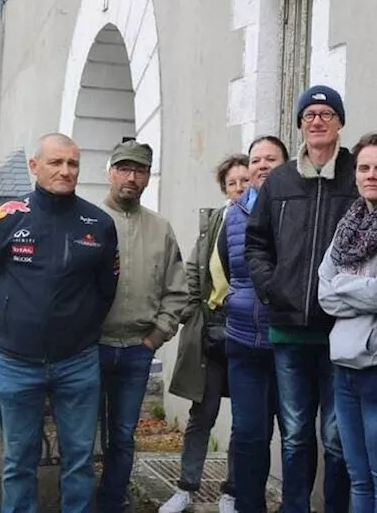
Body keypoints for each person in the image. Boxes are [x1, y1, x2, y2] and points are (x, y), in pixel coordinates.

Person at [0, 133, 120, 513]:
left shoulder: (99, 223)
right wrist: (11, 317)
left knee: (80, 461)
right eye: (56, 162)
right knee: (18, 461)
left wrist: (79, 326)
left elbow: (107, 289)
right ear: (34, 166)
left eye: (72, 164)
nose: (65, 171)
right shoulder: (6, 219)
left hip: (78, 362)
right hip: (17, 361)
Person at [246, 84, 355, 513]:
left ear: (340, 122)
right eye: (309, 115)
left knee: (336, 437)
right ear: (299, 125)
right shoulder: (281, 181)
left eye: (327, 114)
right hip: (289, 329)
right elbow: (256, 243)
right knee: (294, 434)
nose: (317, 120)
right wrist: (271, 286)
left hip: (340, 330)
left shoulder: (355, 174)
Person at [96, 139, 190, 513]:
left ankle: (112, 502)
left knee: (122, 435)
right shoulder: (89, 220)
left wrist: (156, 336)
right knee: (81, 437)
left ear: (148, 177)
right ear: (110, 172)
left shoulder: (161, 229)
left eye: (139, 171)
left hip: (137, 349)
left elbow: (177, 289)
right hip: (92, 347)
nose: (131, 178)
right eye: (124, 169)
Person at [318, 134, 377, 512]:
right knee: (358, 477)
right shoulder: (349, 225)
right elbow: (323, 294)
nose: (371, 175)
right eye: (364, 168)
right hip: (343, 368)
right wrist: (363, 288)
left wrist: (345, 284)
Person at [163, 153, 250, 513]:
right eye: (233, 183)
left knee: (244, 419)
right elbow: (195, 270)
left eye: (246, 181)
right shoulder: (216, 220)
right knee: (203, 414)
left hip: (248, 333)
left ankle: (231, 492)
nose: (240, 188)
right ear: (224, 188)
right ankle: (186, 487)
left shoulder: (266, 218)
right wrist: (190, 315)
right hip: (212, 331)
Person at [225, 136, 289, 512]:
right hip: (243, 342)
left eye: (271, 158)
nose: (262, 165)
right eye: (255, 159)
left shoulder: (298, 207)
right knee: (248, 435)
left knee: (295, 437)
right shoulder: (232, 214)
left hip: (288, 342)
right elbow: (226, 272)